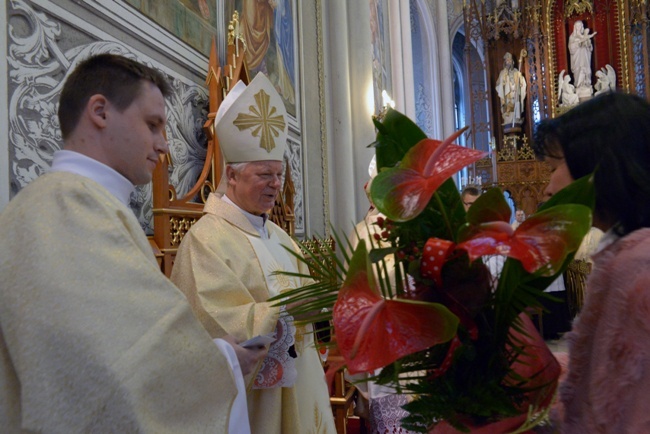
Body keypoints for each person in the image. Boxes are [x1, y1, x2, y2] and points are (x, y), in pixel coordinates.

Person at [0, 53, 266, 432]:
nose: (163, 146)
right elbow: (106, 367)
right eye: (153, 125)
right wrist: (222, 361)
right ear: (100, 111)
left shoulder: (74, 202)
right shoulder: (70, 208)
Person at [170, 73, 336, 434]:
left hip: (302, 393)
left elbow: (310, 305)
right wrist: (288, 311)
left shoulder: (280, 237)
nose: (276, 185)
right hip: (257, 408)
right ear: (231, 175)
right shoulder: (205, 241)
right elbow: (211, 328)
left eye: (279, 175)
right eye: (265, 175)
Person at [533, 91, 650, 432]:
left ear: (598, 167)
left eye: (556, 168)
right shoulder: (629, 252)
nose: (548, 189)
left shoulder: (636, 267)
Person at [495, 51, 527, 128]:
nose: (508, 62)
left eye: (510, 60)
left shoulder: (517, 72)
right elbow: (498, 85)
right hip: (507, 97)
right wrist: (503, 80)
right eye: (507, 60)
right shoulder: (502, 73)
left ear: (512, 62)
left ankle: (517, 119)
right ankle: (508, 119)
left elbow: (522, 84)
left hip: (515, 95)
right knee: (508, 108)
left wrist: (520, 80)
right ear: (505, 62)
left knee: (516, 106)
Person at [568, 20, 596, 93]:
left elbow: (590, 47)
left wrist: (587, 43)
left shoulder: (585, 36)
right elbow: (571, 48)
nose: (579, 27)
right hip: (577, 58)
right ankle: (579, 85)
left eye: (580, 26)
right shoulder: (572, 37)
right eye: (577, 26)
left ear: (582, 27)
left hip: (585, 56)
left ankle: (587, 84)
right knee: (578, 71)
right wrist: (578, 43)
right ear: (575, 27)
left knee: (587, 71)